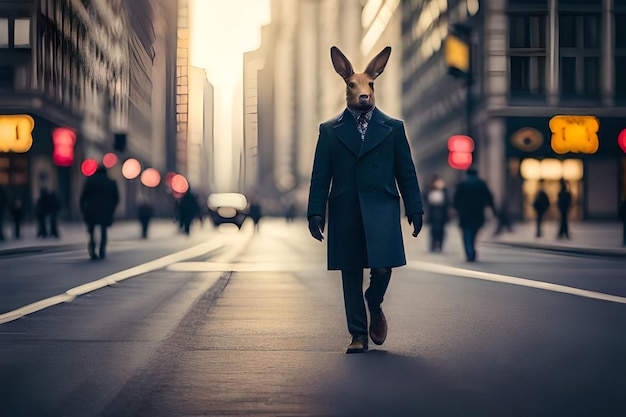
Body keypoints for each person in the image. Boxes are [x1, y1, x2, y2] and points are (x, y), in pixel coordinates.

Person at [307, 46, 423, 354]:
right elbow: (320, 174)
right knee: (350, 272)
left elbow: (406, 171)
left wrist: (415, 208)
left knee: (383, 267)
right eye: (355, 86)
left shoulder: (393, 128)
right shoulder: (330, 131)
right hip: (346, 208)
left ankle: (375, 299)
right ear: (346, 87)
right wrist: (315, 212)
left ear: (374, 86)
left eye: (369, 85)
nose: (363, 92)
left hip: (382, 206)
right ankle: (358, 334)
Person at [453, 166, 495, 262]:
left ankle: (470, 251)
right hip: (478, 213)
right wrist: (492, 209)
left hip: (465, 214)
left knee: (467, 233)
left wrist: (456, 209)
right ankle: (471, 250)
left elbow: (456, 199)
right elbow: (489, 197)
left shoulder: (462, 185)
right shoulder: (481, 184)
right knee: (474, 233)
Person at [79, 165, 119, 260]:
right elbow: (116, 198)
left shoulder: (90, 181)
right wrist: (112, 209)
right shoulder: (111, 182)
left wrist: (83, 209)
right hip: (106, 210)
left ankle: (92, 250)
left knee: (92, 231)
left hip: (91, 209)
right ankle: (102, 250)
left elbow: (83, 196)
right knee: (103, 230)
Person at [425, 176, 449, 252]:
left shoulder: (444, 192)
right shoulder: (430, 191)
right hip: (434, 215)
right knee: (433, 231)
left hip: (442, 215)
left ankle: (439, 245)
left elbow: (447, 203)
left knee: (441, 231)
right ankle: (433, 244)